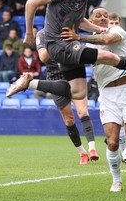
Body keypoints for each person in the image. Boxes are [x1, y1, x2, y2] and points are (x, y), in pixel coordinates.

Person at [62, 7, 126, 192]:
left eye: (105, 15)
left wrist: (79, 37)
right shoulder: (86, 47)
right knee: (112, 141)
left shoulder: (117, 31)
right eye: (98, 16)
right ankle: (116, 180)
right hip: (108, 96)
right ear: (90, 20)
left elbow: (107, 39)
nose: (103, 18)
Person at [35, 28, 100, 164]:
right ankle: (82, 153)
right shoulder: (42, 34)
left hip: (74, 75)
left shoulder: (69, 30)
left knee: (83, 112)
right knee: (69, 119)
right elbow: (43, 57)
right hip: (55, 79)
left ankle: (92, 149)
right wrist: (57, 43)